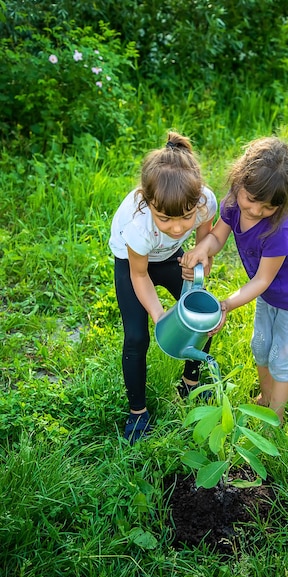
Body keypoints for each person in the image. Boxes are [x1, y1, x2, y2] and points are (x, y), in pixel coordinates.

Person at [180, 136, 288, 424]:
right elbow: (218, 236)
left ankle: (275, 417)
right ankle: (265, 395)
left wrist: (225, 305)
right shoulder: (234, 205)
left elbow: (261, 280)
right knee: (260, 347)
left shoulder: (279, 229)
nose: (256, 211)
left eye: (268, 207)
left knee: (282, 360)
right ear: (239, 181)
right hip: (272, 297)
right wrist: (202, 249)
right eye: (252, 200)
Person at [109, 132, 217, 443]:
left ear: (196, 201)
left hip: (171, 257)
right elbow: (140, 275)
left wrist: (199, 260)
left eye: (185, 216)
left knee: (201, 318)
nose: (177, 226)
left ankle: (189, 384)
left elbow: (202, 238)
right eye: (165, 218)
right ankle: (138, 413)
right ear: (147, 202)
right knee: (137, 336)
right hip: (133, 263)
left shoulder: (204, 201)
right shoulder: (138, 225)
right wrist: (160, 316)